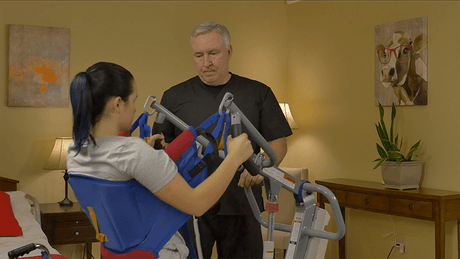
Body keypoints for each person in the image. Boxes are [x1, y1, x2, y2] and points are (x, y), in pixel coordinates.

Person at [66, 61, 254, 259]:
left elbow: (124, 190)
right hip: (158, 252)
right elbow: (197, 204)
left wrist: (151, 155)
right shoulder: (133, 152)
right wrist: (234, 158)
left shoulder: (75, 153)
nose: (134, 108)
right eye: (133, 100)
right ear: (118, 104)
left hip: (114, 252)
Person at [152, 21, 293, 258]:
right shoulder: (174, 97)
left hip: (241, 203)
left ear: (229, 52)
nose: (206, 62)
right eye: (199, 55)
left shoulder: (258, 93)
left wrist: (261, 167)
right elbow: (159, 148)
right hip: (189, 205)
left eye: (213, 53)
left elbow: (278, 143)